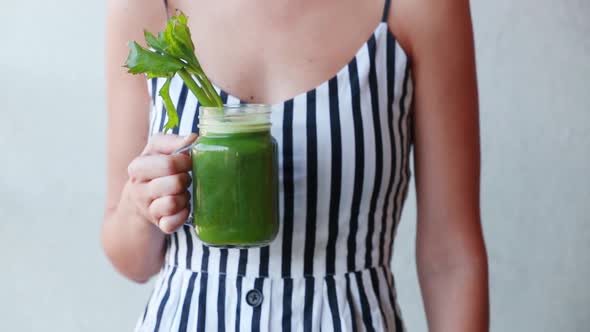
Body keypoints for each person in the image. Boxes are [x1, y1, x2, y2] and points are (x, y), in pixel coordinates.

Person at [103, 0, 489, 330]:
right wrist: (140, 209)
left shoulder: (422, 8)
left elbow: (451, 257)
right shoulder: (149, 6)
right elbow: (131, 259)